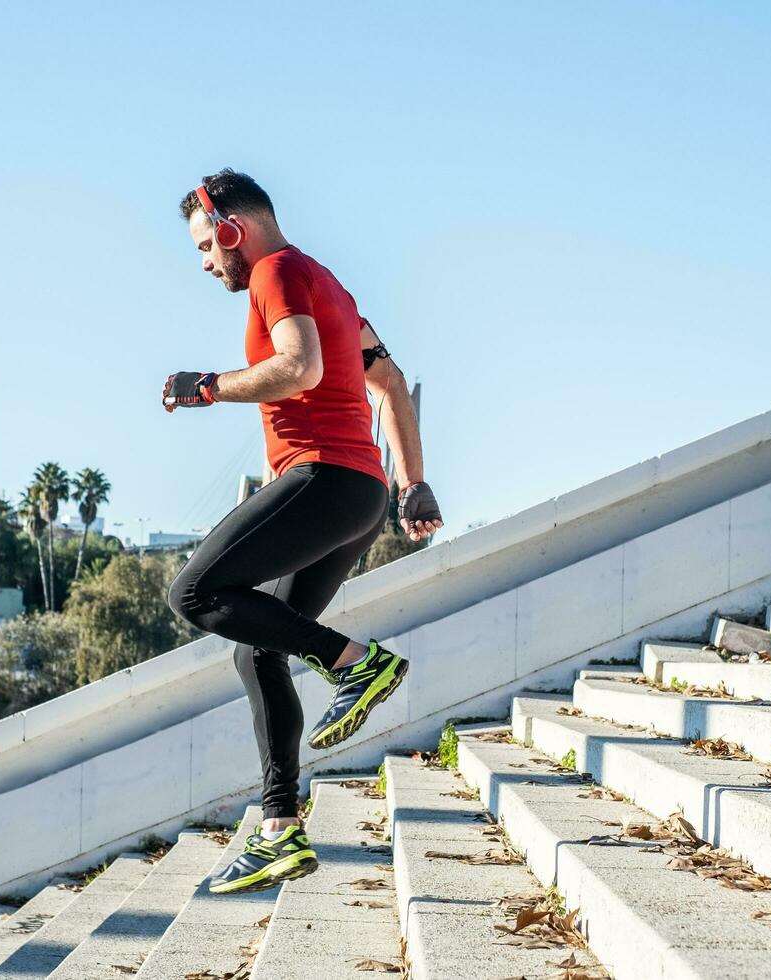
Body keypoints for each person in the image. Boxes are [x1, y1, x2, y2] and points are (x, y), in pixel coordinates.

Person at [162, 169, 442, 894]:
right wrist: (411, 482)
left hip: (321, 478)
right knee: (257, 653)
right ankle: (280, 830)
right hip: (361, 495)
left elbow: (299, 367)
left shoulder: (276, 271)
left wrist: (209, 386)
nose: (205, 263)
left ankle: (354, 662)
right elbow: (388, 379)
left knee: (192, 592)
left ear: (233, 229)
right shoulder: (331, 285)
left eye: (205, 246)